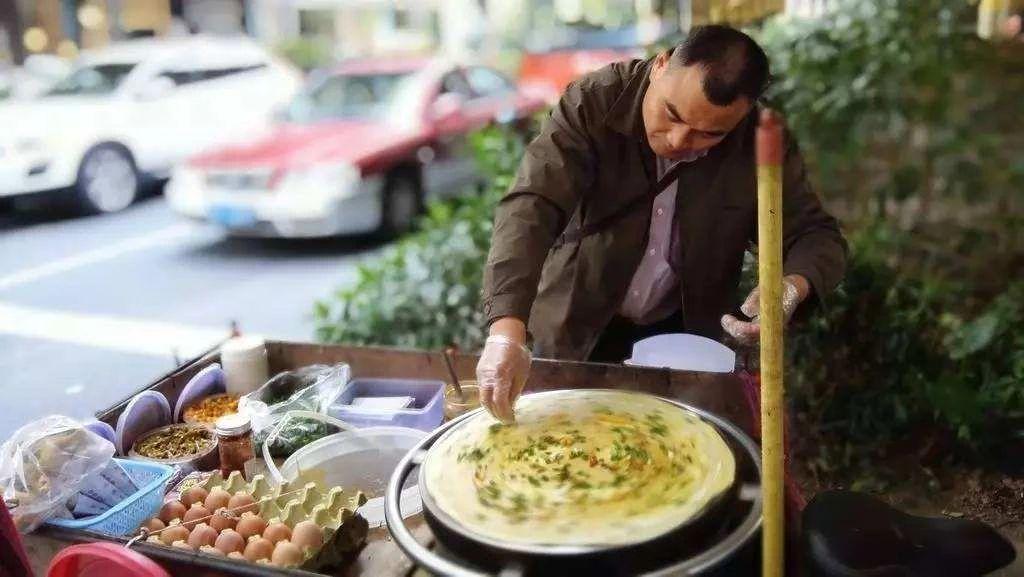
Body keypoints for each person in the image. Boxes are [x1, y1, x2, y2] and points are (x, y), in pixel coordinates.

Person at [476, 25, 848, 423]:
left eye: (709, 134)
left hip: (685, 338)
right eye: (671, 114)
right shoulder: (596, 101)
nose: (678, 140)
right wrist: (506, 332)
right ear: (661, 65)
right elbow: (533, 206)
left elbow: (816, 236)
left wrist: (790, 287)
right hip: (578, 319)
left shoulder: (759, 140)